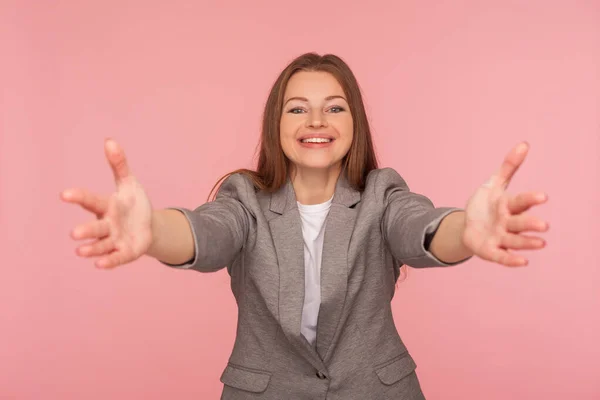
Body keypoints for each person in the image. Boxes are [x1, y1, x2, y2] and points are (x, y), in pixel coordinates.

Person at [61, 53, 549, 400]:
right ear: (277, 123)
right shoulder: (244, 196)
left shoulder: (382, 193)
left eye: (335, 106)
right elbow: (207, 233)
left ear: (354, 123)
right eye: (298, 107)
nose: (317, 119)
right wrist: (151, 229)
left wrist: (466, 231)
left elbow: (417, 226)